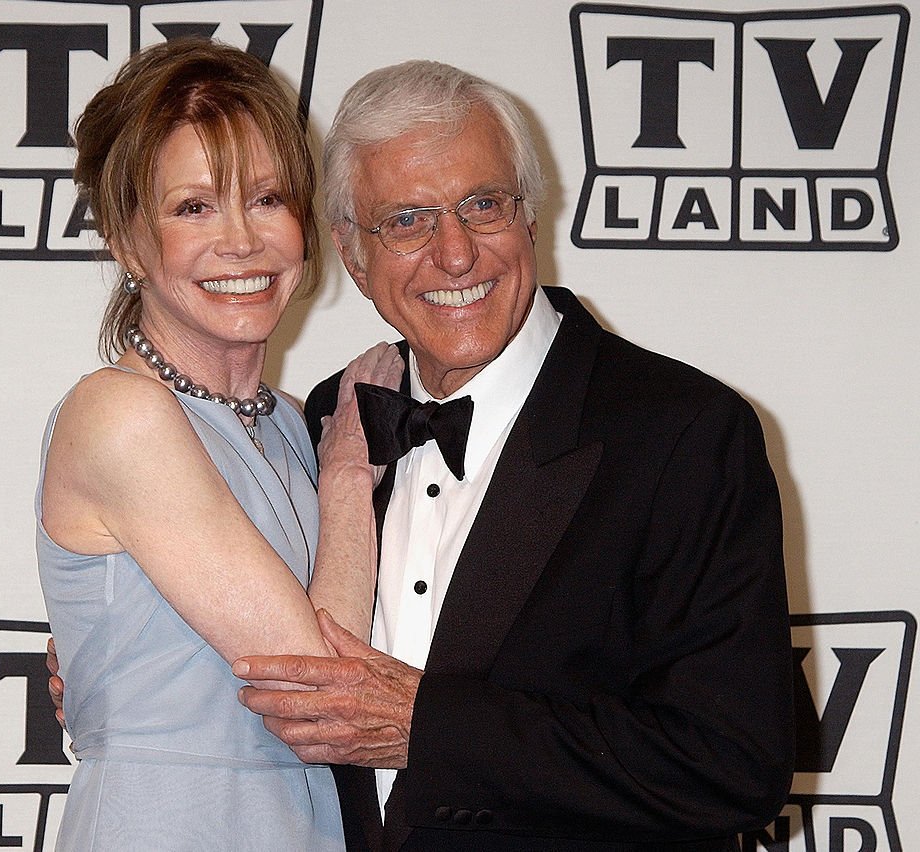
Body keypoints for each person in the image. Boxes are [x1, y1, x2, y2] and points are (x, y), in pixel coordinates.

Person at [233, 60, 796, 850]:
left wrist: (425, 727)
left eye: (482, 205)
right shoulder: (334, 416)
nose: (456, 254)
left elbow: (731, 764)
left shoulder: (682, 432)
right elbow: (260, 643)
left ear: (530, 216)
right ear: (352, 255)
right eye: (407, 220)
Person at [36, 38, 400, 850]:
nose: (241, 242)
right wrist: (348, 476)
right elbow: (315, 691)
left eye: (267, 199)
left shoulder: (289, 423)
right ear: (131, 241)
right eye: (194, 206)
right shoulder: (119, 414)